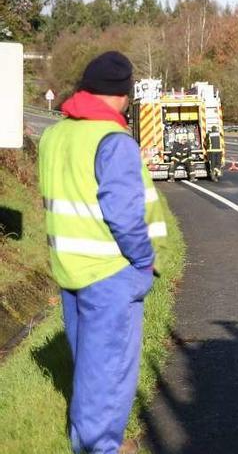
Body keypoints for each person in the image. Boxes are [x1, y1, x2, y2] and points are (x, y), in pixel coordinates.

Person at [38, 51, 167, 454]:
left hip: (69, 270)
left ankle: (90, 441)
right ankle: (100, 448)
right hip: (110, 271)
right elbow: (126, 217)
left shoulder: (55, 135)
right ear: (122, 96)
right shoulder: (112, 141)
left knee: (90, 371)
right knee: (109, 374)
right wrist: (145, 262)